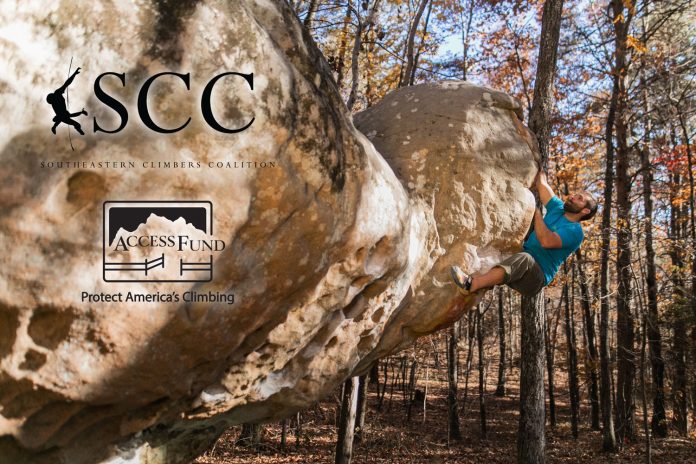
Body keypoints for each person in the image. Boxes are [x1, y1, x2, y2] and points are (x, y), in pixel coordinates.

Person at [450, 171, 597, 296]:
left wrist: (537, 212)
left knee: (525, 259)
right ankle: (478, 278)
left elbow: (546, 241)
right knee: (500, 251)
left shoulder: (575, 232)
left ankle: (472, 284)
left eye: (579, 199)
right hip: (518, 263)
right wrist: (537, 164)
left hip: (534, 278)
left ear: (585, 211)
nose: (572, 196)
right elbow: (542, 184)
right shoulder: (558, 207)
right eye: (575, 194)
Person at [47, 67, 88, 135]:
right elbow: (67, 83)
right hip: (62, 116)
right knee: (75, 124)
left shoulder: (57, 95)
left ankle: (54, 126)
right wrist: (81, 112)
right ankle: (54, 126)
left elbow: (67, 83)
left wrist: (81, 112)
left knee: (76, 124)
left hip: (62, 116)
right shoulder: (56, 97)